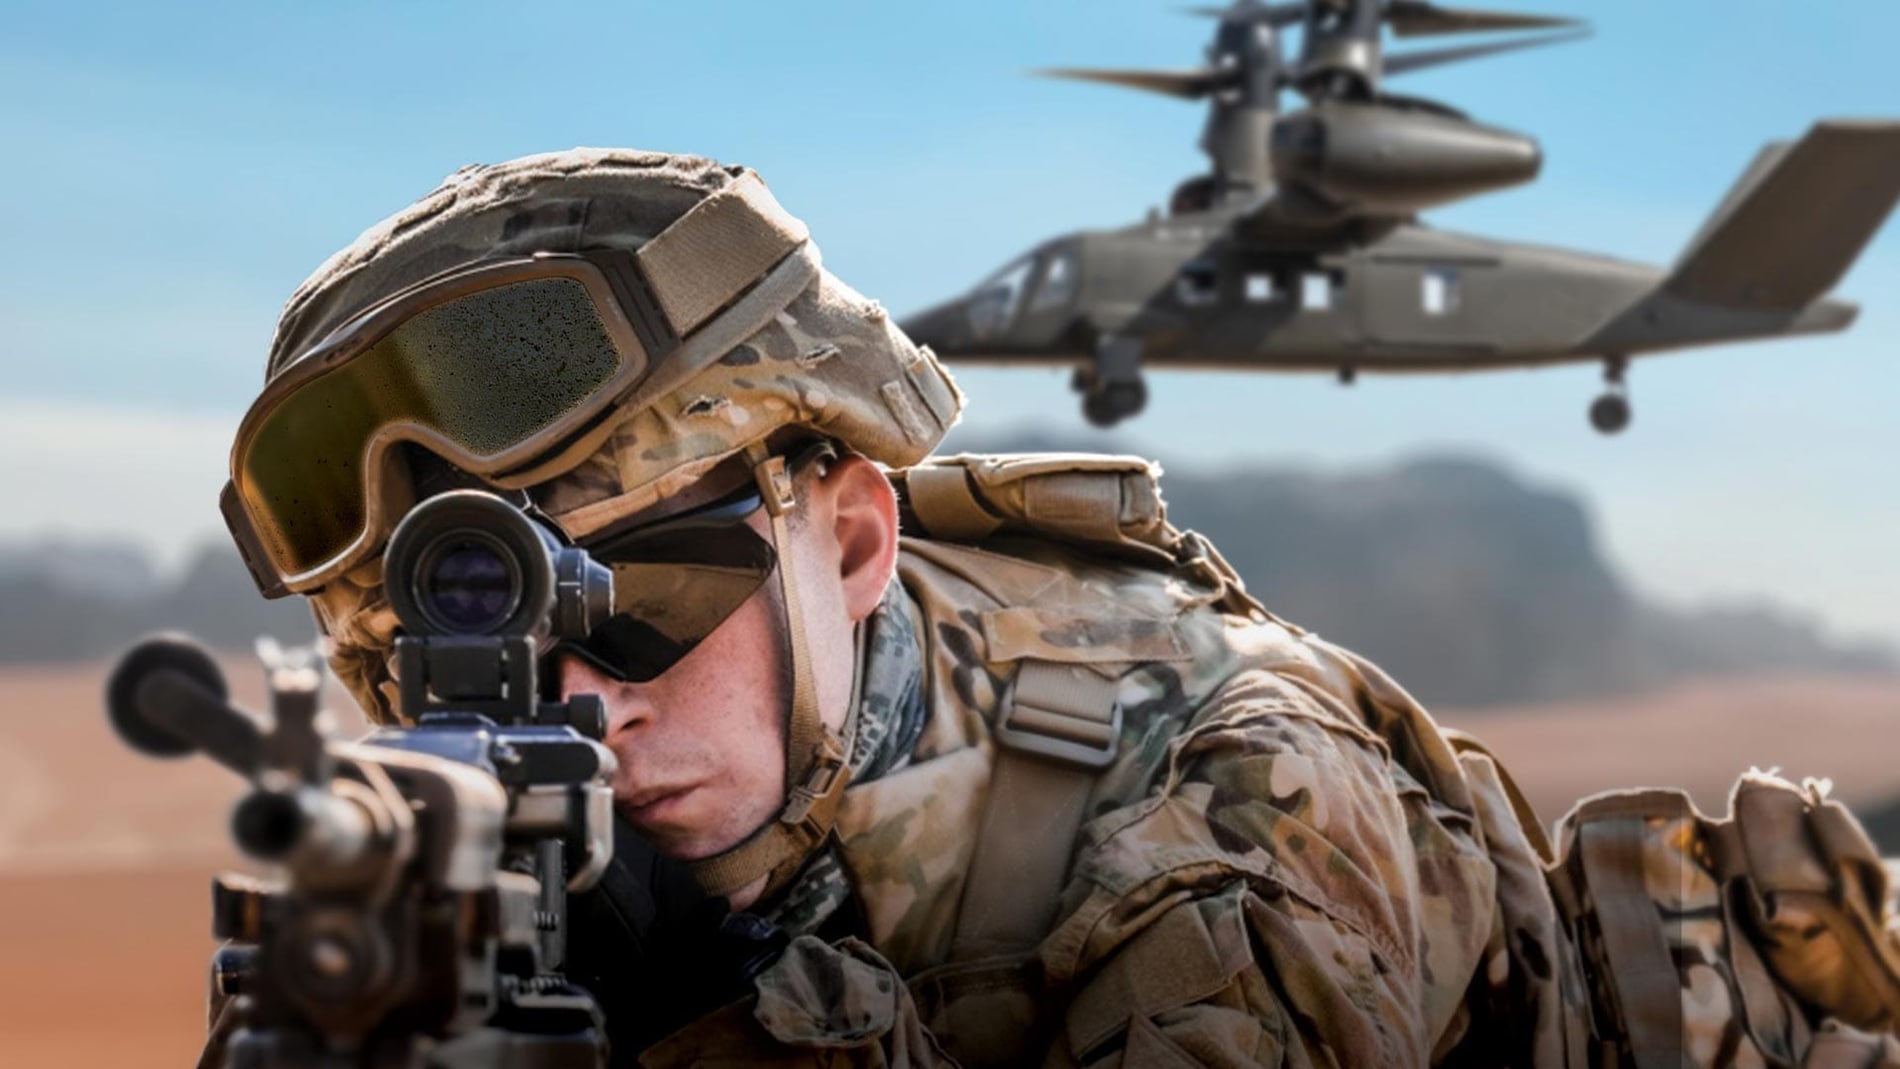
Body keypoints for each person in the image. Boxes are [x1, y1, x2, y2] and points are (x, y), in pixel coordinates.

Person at [222, 148, 1900, 1067]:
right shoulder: (501, 843)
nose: (576, 703)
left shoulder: (1217, 825)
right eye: (450, 658)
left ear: (855, 537)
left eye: (641, 595)